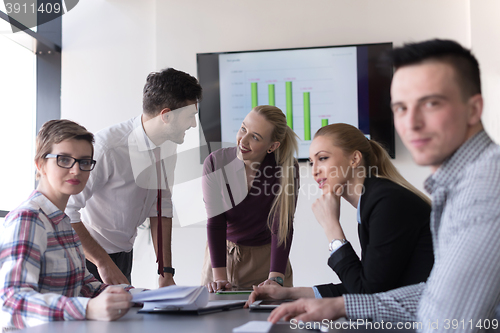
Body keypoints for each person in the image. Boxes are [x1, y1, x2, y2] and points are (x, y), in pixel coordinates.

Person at [267, 39, 500, 333]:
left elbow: (449, 320)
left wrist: (332, 232)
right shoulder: (458, 184)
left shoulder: (485, 187)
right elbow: (433, 292)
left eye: (430, 103)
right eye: (401, 108)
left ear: (473, 108)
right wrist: (335, 304)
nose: (411, 123)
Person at [247, 123, 433, 304]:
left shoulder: (387, 203)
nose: (315, 171)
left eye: (323, 158)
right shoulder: (374, 202)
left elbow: (368, 294)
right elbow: (364, 285)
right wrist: (287, 293)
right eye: (312, 162)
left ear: (354, 159)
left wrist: (332, 228)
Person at [66, 68, 202, 287]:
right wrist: (103, 263)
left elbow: (161, 207)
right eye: (190, 117)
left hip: (123, 254)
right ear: (166, 115)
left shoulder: (168, 147)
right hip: (87, 257)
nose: (193, 125)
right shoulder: (107, 148)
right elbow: (66, 211)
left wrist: (165, 272)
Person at [0, 120, 132, 330]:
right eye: (64, 160)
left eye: (84, 162)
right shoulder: (28, 219)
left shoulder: (63, 222)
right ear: (40, 164)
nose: (76, 170)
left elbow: (84, 285)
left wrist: (137, 295)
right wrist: (87, 309)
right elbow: (12, 303)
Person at [201, 105, 299, 292]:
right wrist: (220, 278)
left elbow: (282, 225)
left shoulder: (286, 168)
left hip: (268, 262)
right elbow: (216, 222)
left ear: (273, 146)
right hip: (221, 260)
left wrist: (276, 278)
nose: (242, 140)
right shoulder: (215, 163)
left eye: (255, 137)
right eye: (243, 129)